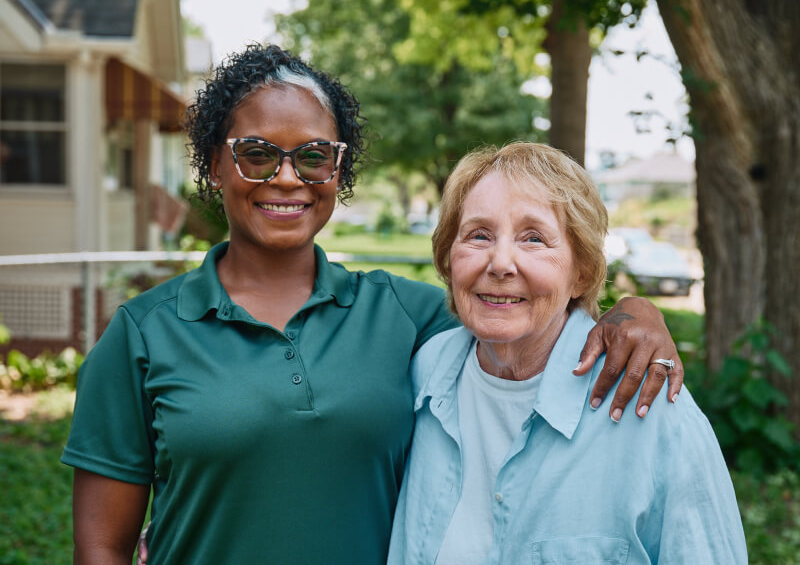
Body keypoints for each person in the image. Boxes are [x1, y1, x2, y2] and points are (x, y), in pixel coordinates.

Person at [62, 45, 683, 565]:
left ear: (339, 170)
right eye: (257, 153)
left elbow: (522, 313)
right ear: (215, 161)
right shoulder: (142, 335)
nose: (286, 177)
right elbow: (102, 550)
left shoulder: (406, 317)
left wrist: (633, 311)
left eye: (313, 156)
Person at [387, 142, 746, 564]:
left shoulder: (654, 412)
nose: (500, 262)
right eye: (479, 235)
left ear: (582, 272)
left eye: (534, 238)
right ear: (448, 261)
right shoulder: (421, 377)